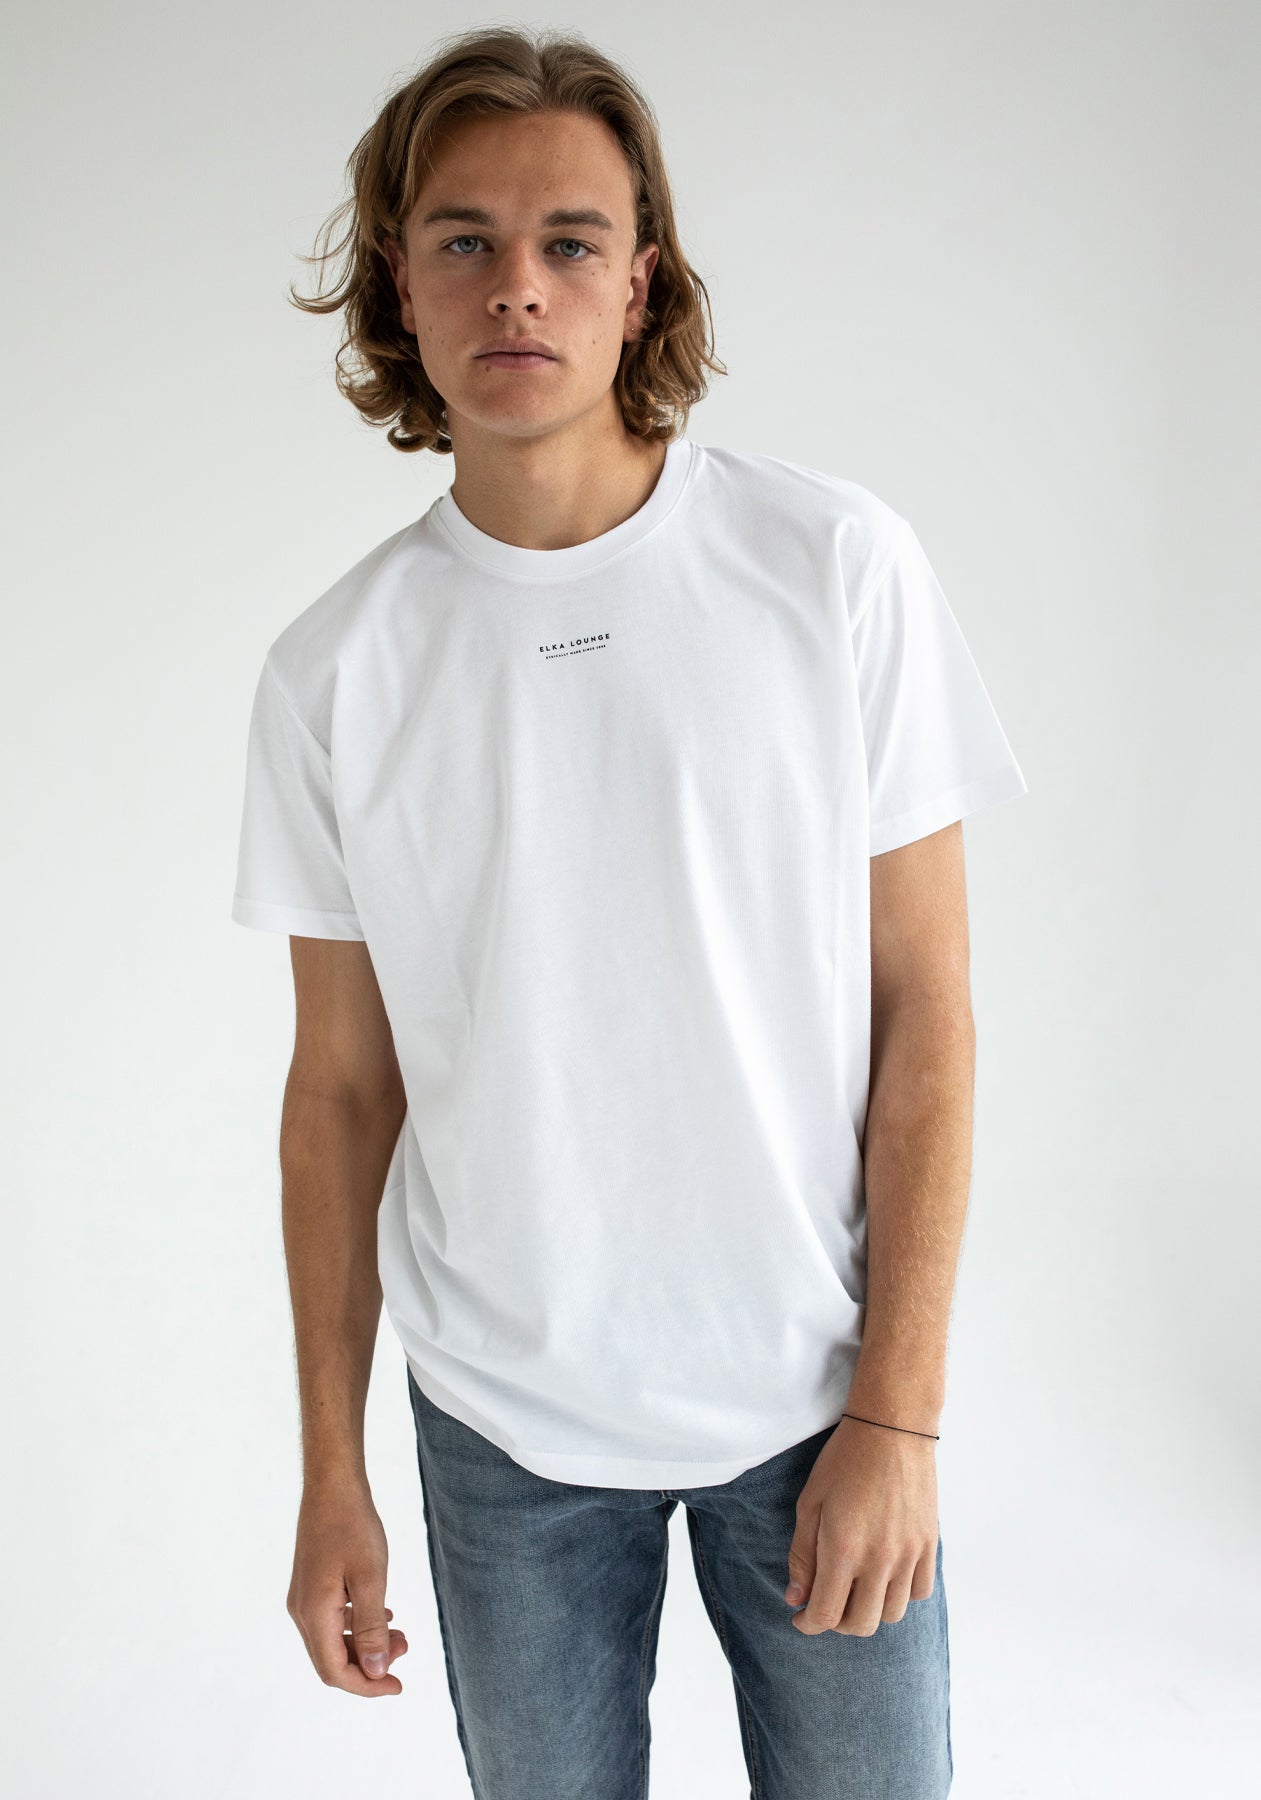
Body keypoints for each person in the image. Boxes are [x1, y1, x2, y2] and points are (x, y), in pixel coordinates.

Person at [230, 24, 1027, 1799]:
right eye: (463, 239)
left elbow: (928, 1009)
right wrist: (329, 1472)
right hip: (502, 1425)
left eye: (569, 240)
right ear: (400, 282)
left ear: (638, 279)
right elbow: (338, 1095)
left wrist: (898, 1413)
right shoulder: (334, 670)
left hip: (815, 1394)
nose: (516, 285)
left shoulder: (831, 568)